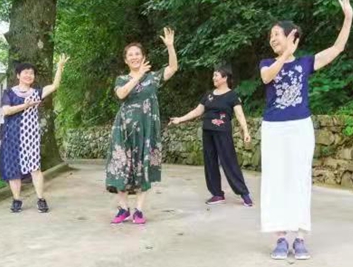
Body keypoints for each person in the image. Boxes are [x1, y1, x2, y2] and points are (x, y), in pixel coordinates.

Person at [260, 0, 353, 260]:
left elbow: (337, 49)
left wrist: (348, 18)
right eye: (270, 36)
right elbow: (267, 77)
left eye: (277, 34)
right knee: (275, 180)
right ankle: (280, 237)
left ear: (292, 36)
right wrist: (284, 55)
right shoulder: (267, 63)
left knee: (300, 178)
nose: (272, 38)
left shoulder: (305, 63)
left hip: (300, 126)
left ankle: (299, 237)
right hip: (274, 128)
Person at [106, 28, 178, 225]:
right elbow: (121, 94)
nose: (134, 57)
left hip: (147, 129)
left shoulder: (153, 78)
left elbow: (172, 68)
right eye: (130, 55)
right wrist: (138, 76)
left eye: (137, 53)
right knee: (121, 166)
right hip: (124, 129)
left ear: (143, 56)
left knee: (142, 166)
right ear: (126, 60)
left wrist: (170, 46)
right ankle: (123, 208)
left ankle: (138, 210)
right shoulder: (122, 79)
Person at [170, 65, 253, 207]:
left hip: (223, 132)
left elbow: (239, 114)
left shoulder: (232, 95)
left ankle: (244, 193)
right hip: (207, 132)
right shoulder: (209, 94)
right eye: (213, 75)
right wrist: (180, 119)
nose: (213, 78)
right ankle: (217, 193)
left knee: (229, 161)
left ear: (225, 78)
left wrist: (246, 131)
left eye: (216, 75)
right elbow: (197, 111)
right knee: (210, 162)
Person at [0, 54, 70, 213]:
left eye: (31, 73)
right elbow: (7, 111)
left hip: (30, 136)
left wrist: (60, 67)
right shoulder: (9, 93)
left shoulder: (36, 92)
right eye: (25, 72)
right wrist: (26, 106)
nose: (29, 75)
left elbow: (54, 86)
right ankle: (16, 199)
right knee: (13, 170)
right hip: (11, 136)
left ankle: (41, 199)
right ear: (18, 75)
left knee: (35, 168)